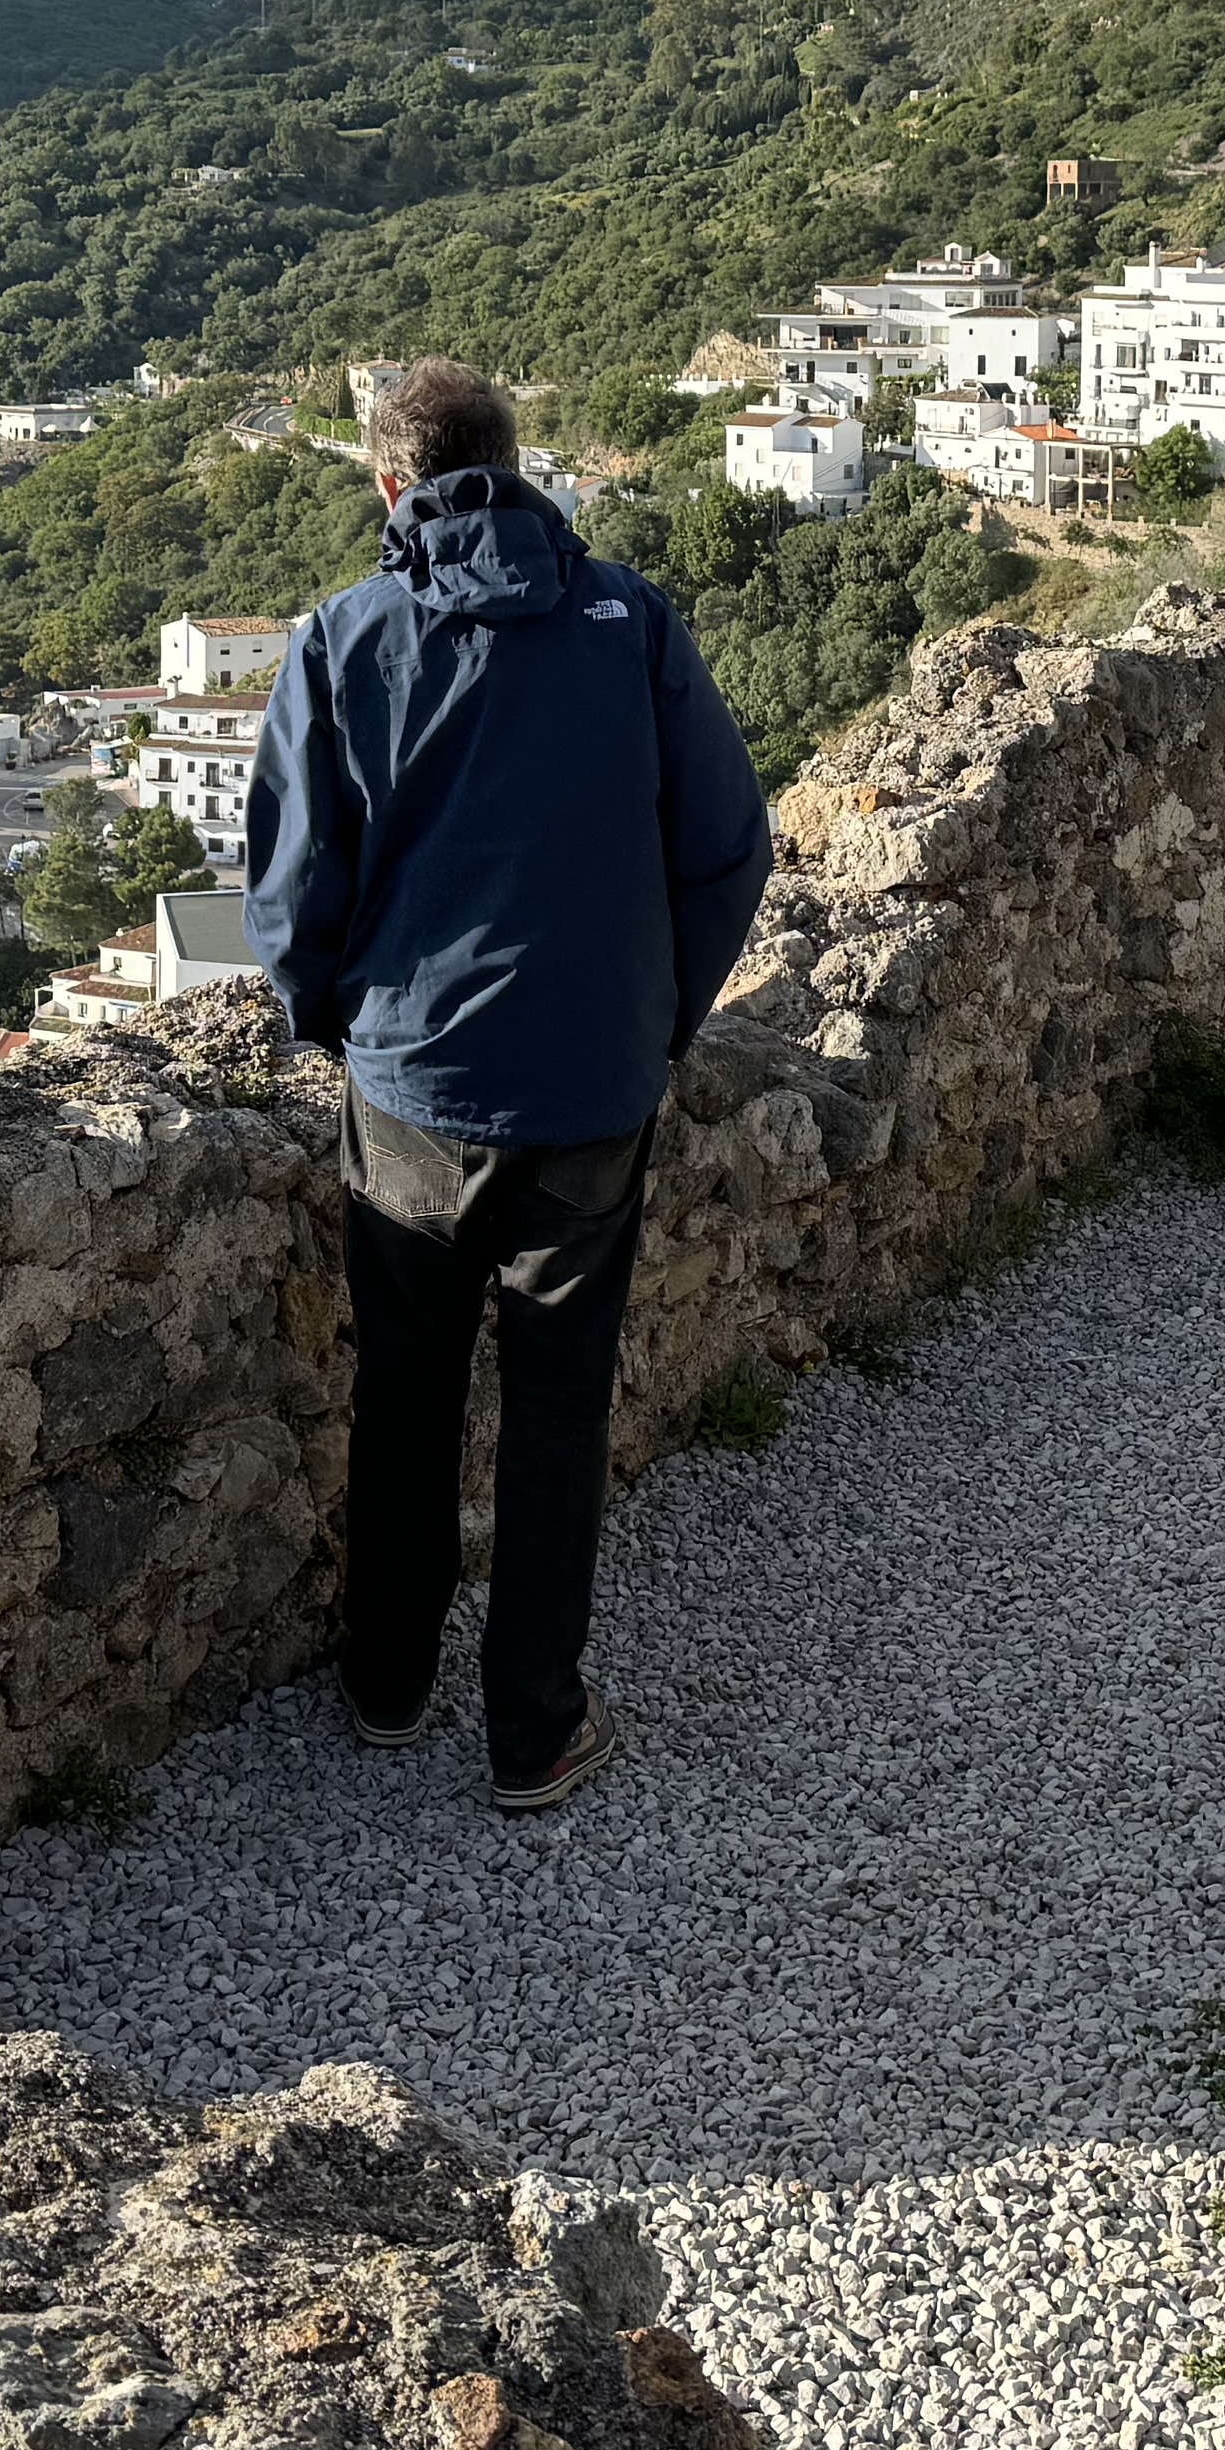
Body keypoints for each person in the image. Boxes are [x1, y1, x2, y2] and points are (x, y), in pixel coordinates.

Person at [247, 359, 769, 1812]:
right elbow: (729, 848)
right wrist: (658, 1024)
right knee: (556, 1401)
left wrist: (338, 1027)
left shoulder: (342, 640)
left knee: (407, 1383)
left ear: (389, 484)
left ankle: (389, 1679)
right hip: (594, 1084)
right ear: (519, 462)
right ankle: (533, 1730)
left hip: (412, 1087)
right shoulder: (629, 624)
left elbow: (290, 903)